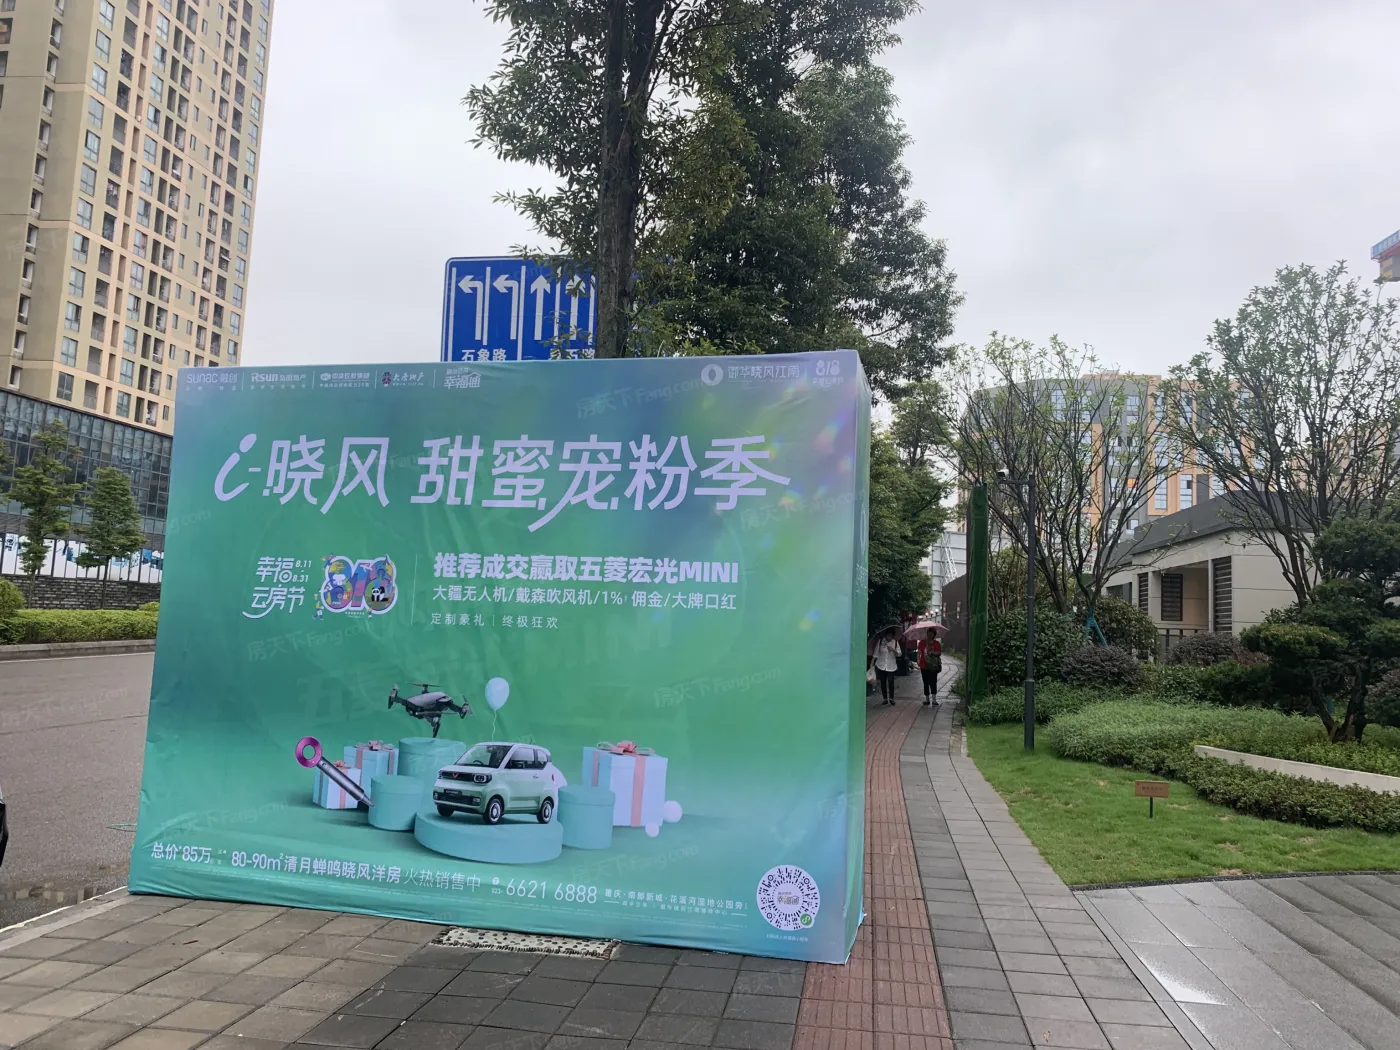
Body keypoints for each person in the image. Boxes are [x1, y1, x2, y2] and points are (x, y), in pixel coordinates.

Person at [873, 629, 900, 705]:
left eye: (891, 636)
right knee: (883, 682)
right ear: (885, 635)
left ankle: (891, 698)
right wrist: (872, 663)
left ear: (893, 636)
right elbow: (876, 653)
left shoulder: (895, 642)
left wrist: (893, 650)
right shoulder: (881, 641)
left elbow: (899, 654)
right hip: (881, 665)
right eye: (888, 635)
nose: (889, 637)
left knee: (891, 682)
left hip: (891, 666)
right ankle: (885, 698)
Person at [917, 634, 942, 706]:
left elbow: (939, 653)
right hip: (924, 665)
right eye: (928, 634)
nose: (929, 636)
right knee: (925, 682)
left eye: (931, 634)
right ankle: (927, 699)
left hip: (933, 665)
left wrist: (932, 652)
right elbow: (919, 652)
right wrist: (918, 661)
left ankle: (934, 700)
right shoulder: (922, 643)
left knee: (933, 682)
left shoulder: (936, 643)